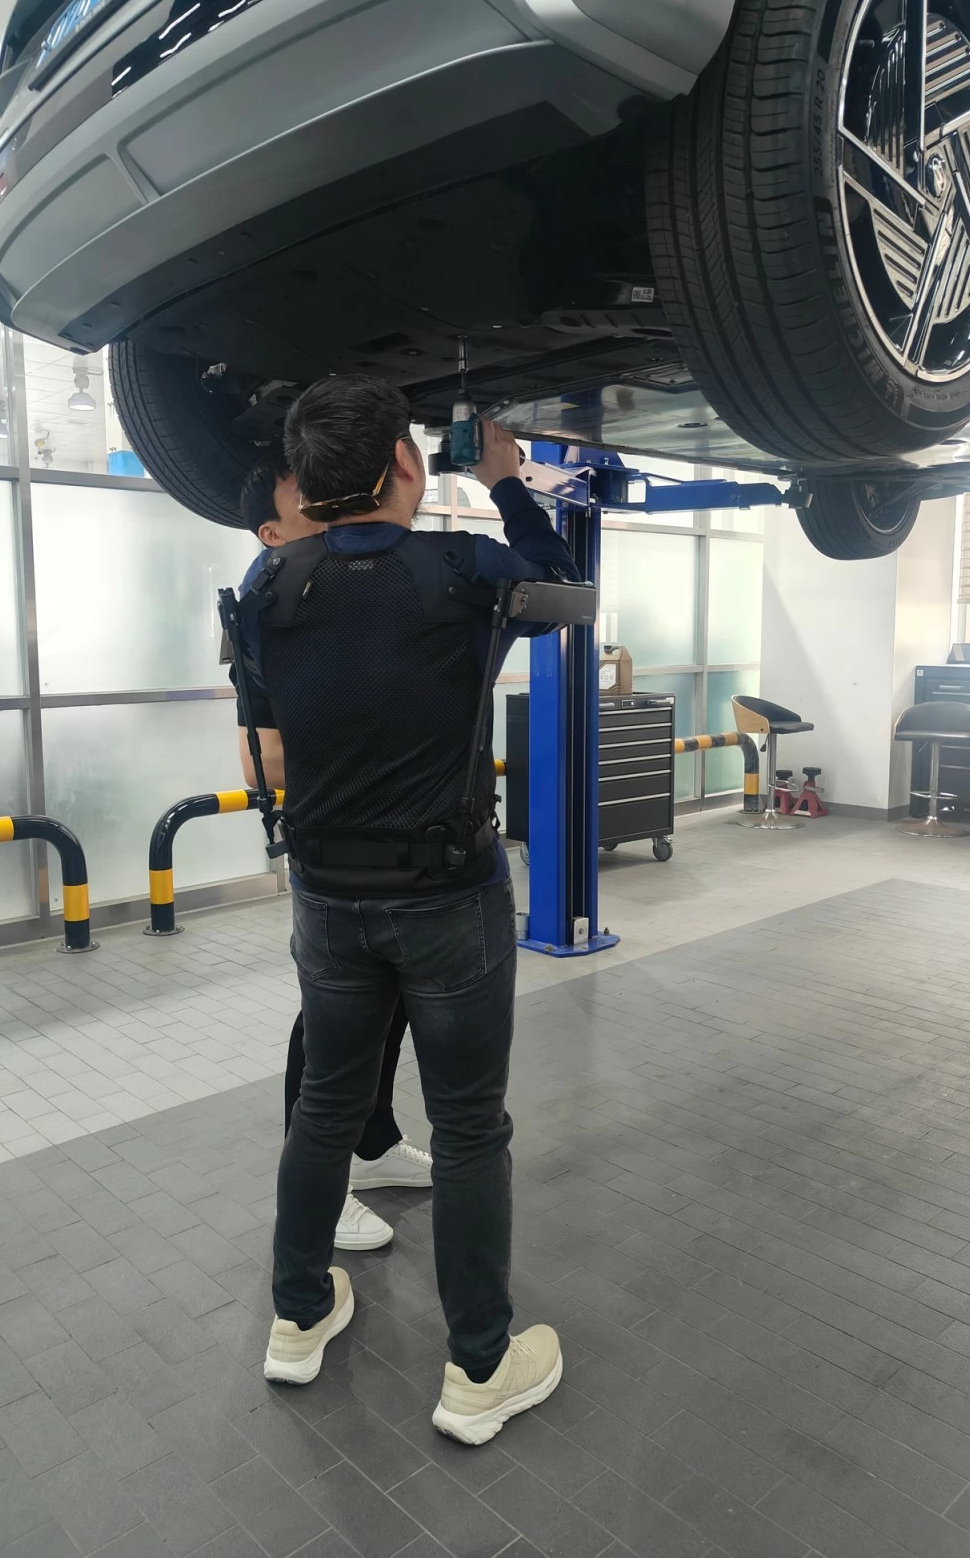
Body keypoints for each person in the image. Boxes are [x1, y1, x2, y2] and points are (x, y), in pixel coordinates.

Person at [234, 376, 576, 1444]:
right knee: (469, 1126)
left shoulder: (265, 584)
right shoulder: (464, 570)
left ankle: (299, 1315)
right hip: (448, 899)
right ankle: (479, 1367)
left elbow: (267, 723)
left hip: (326, 899)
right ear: (404, 465)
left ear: (306, 480)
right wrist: (506, 484)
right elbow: (564, 589)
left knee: (324, 1106)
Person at [238, 453, 432, 1254]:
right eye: (307, 500)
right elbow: (260, 759)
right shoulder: (269, 600)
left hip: (401, 849)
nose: (330, 508)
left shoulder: (356, 584)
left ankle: (374, 1142)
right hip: (332, 853)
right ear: (271, 532)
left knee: (393, 1005)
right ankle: (319, 1189)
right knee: (328, 1024)